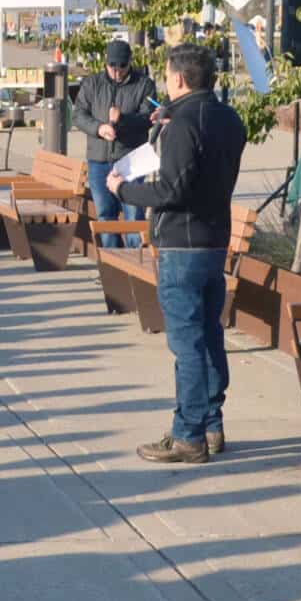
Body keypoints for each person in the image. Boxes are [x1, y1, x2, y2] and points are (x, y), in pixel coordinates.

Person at [112, 44, 244, 465]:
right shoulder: (228, 118)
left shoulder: (184, 122)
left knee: (187, 343)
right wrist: (165, 128)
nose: (166, 84)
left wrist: (123, 190)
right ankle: (211, 423)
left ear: (180, 79)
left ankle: (188, 434)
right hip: (214, 238)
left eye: (169, 77)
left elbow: (172, 189)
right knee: (208, 335)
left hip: (181, 242)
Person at [77, 40, 156, 224]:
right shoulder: (92, 83)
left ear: (130, 62)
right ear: (106, 63)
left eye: (122, 66)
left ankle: (134, 253)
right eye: (112, 66)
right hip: (99, 159)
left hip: (130, 160)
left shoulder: (144, 85)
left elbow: (148, 118)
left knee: (133, 215)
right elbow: (79, 114)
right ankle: (109, 252)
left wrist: (123, 120)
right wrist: (99, 128)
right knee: (105, 214)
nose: (117, 71)